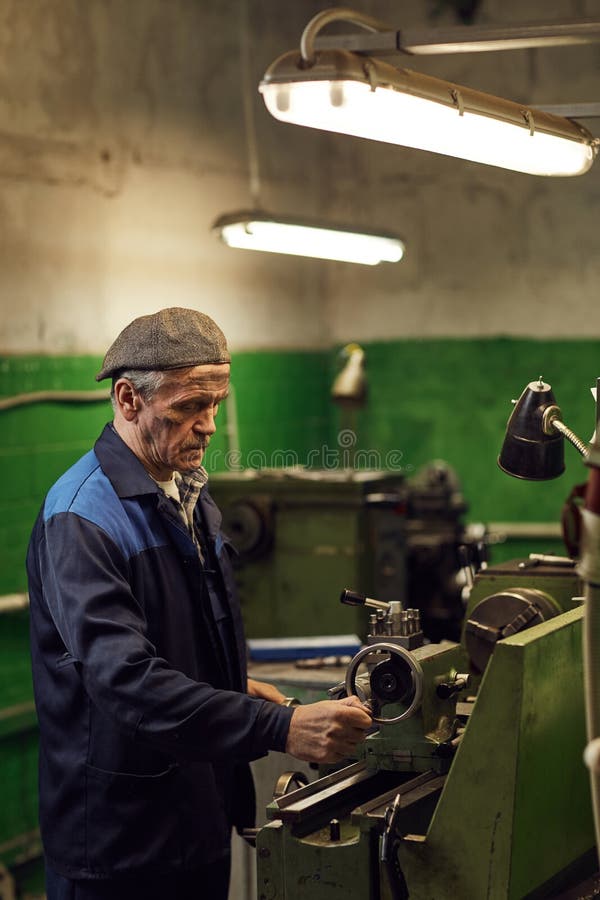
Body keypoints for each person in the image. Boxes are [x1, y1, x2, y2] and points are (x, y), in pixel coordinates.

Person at [26, 307, 372, 900]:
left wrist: (234, 685)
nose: (208, 424)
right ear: (129, 399)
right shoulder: (81, 517)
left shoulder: (189, 494)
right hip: (121, 844)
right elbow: (127, 680)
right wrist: (280, 726)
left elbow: (182, 638)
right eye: (188, 406)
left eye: (215, 404)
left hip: (198, 815)